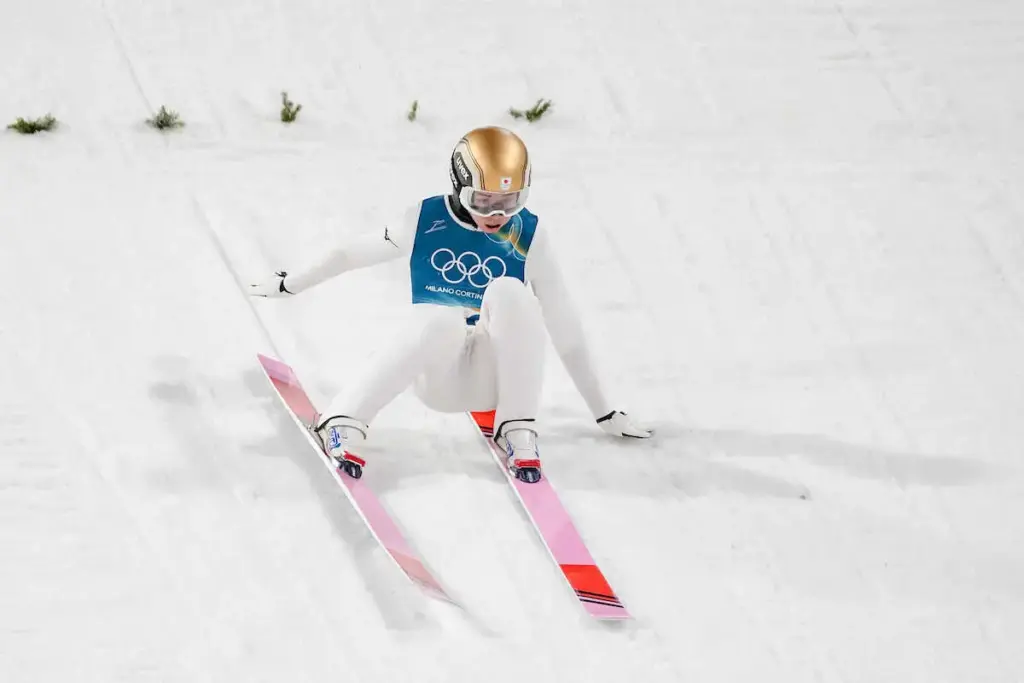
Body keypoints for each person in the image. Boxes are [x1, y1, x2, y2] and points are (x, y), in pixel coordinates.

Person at [250, 126, 651, 484]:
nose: (497, 215)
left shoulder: (529, 234)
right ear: (459, 187)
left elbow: (563, 322)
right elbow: (350, 253)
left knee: (514, 293)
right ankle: (345, 419)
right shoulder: (425, 219)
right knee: (442, 317)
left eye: (510, 202)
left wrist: (603, 410)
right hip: (438, 372)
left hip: (493, 381)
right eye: (484, 200)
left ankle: (517, 427)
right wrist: (291, 284)